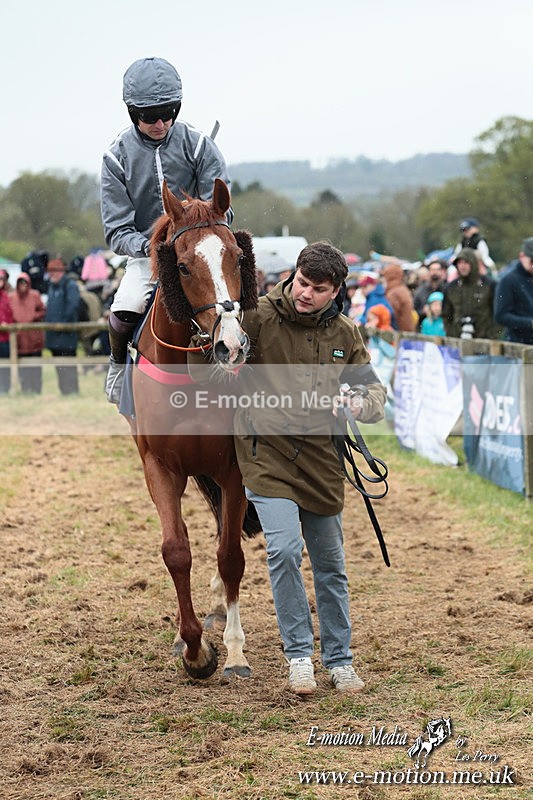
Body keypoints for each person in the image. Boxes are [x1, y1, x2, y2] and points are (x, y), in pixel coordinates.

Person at [233, 242, 387, 696]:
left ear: (335, 290)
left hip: (322, 460)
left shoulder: (345, 333)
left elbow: (373, 392)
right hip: (267, 457)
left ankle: (339, 661)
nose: (305, 294)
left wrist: (358, 402)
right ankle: (299, 657)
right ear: (293, 275)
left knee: (330, 565)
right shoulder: (256, 317)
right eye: (302, 282)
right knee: (282, 551)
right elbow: (207, 368)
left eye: (317, 289)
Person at [100, 56, 233, 404]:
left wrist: (195, 236)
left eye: (168, 112)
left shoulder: (201, 146)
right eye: (149, 116)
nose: (160, 122)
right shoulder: (116, 159)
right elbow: (116, 231)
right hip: (148, 255)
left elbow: (224, 211)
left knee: (244, 301)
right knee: (125, 305)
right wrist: (152, 246)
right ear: (133, 113)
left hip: (201, 251)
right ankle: (117, 368)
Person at [442, 248, 499, 340]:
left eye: (466, 262)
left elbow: (496, 312)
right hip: (458, 339)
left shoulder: (488, 285)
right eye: (459, 263)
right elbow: (446, 314)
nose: (462, 266)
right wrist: (451, 333)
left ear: (473, 263)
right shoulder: (451, 288)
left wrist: (491, 334)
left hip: (484, 339)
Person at [45, 259, 80, 395]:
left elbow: (73, 305)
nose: (52, 274)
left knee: (68, 365)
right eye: (50, 271)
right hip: (54, 336)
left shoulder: (70, 285)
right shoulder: (52, 287)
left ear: (61, 272)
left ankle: (72, 391)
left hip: (66, 335)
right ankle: (64, 390)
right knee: (59, 365)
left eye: (54, 271)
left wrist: (62, 323)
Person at [9, 272, 46, 393]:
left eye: (25, 282)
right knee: (22, 367)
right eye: (20, 283)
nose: (23, 285)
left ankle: (36, 389)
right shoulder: (12, 297)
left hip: (34, 338)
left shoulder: (35, 295)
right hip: (19, 339)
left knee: (35, 366)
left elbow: (42, 310)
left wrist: (33, 316)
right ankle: (25, 389)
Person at [494, 237, 533, 344]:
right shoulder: (508, 280)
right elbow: (501, 316)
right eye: (532, 261)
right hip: (518, 343)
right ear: (522, 256)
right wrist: (529, 323)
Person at [413, 258, 447, 328]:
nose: (435, 272)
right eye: (432, 270)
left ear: (441, 271)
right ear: (429, 271)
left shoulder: (447, 289)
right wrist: (423, 312)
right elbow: (414, 310)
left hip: (443, 326)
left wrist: (441, 310)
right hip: (424, 327)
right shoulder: (421, 290)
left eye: (437, 269)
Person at [382, 263, 416, 332]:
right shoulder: (402, 289)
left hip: (399, 332)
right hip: (407, 329)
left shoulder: (393, 293)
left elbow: (391, 314)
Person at [0, 269, 14, 393]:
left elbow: (10, 315)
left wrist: (8, 325)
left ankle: (5, 388)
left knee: (6, 365)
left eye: (2, 279)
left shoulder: (6, 296)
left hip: (5, 338)